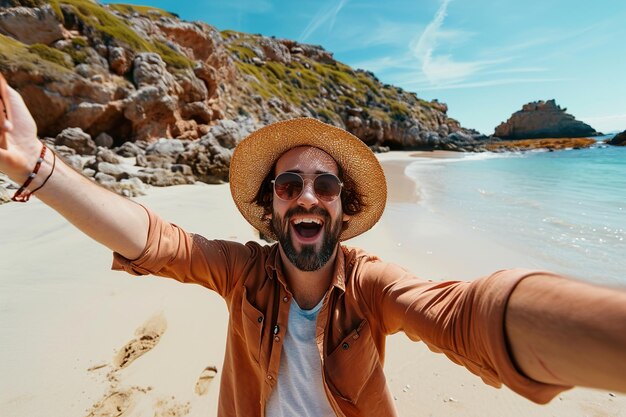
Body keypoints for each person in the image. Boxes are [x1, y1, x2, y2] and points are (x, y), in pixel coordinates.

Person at [1, 74, 625, 417]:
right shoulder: (242, 271)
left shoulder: (373, 284)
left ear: (342, 207)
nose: (306, 195)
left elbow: (468, 315)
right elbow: (155, 241)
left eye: (325, 184)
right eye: (289, 183)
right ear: (271, 205)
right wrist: (37, 167)